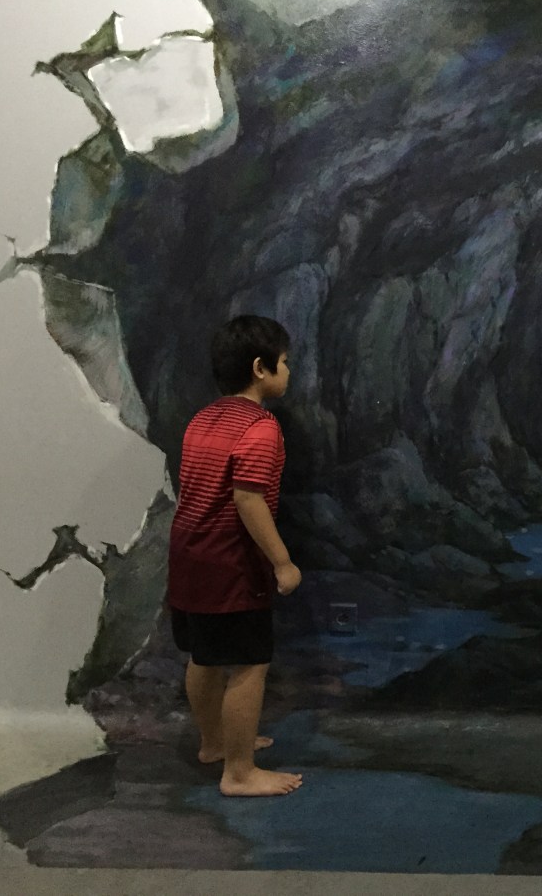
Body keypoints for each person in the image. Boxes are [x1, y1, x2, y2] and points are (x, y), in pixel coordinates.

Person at [167, 315, 304, 797]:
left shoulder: (201, 420)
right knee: (249, 663)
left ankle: (215, 744)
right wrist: (282, 562)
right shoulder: (260, 429)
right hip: (230, 564)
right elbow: (248, 499)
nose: (289, 371)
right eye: (285, 362)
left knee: (204, 657)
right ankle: (240, 773)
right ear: (260, 368)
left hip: (188, 555)